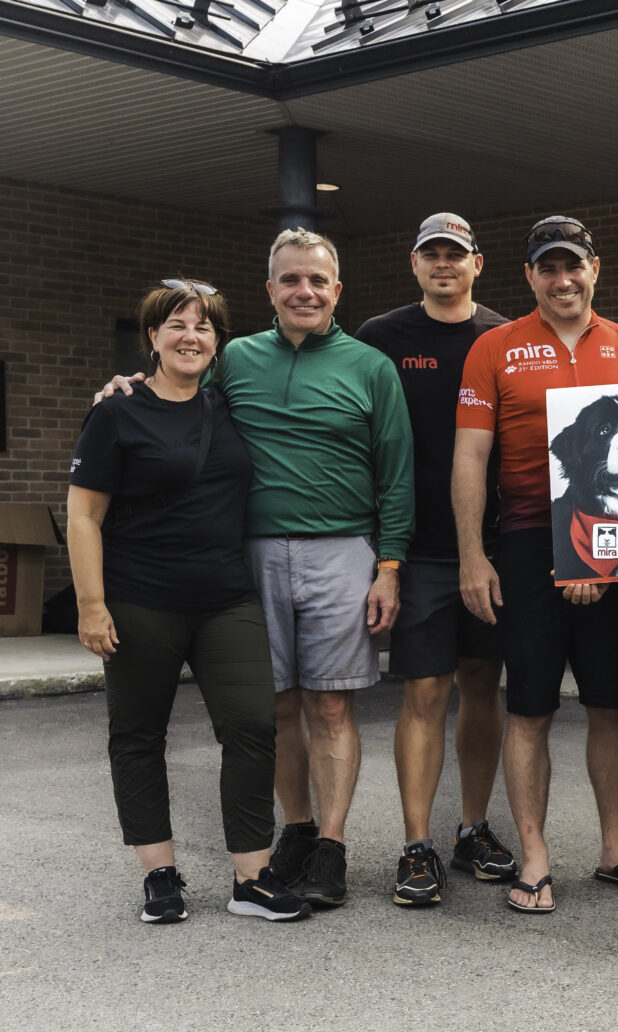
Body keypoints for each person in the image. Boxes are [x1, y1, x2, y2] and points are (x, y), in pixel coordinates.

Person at [98, 232, 415, 909]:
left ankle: (329, 846)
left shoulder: (371, 367)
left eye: (318, 281)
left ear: (337, 290)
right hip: (251, 553)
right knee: (269, 708)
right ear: (270, 290)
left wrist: (389, 565)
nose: (306, 291)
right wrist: (124, 383)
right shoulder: (235, 357)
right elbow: (173, 393)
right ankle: (293, 830)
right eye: (291, 280)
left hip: (342, 550)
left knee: (331, 703)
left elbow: (397, 475)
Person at [68, 279, 308, 923]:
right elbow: (84, 516)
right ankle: (160, 875)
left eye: (203, 327)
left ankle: (251, 880)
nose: (190, 336)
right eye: (176, 324)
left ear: (217, 342)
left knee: (253, 725)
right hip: (141, 598)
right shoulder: (116, 411)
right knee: (139, 734)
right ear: (152, 337)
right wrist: (91, 605)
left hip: (226, 597)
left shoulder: (226, 404)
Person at [454, 215, 618, 914]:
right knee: (529, 707)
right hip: (525, 545)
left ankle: (614, 847)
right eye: (548, 267)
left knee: (611, 704)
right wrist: (471, 556)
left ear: (595, 269)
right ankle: (536, 853)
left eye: (573, 265)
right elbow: (471, 457)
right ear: (529, 277)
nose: (562, 278)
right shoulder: (494, 348)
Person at [354, 213, 516, 907]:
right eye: (432, 254)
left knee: (483, 686)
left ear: (478, 264)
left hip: (496, 548)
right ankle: (416, 844)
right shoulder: (379, 339)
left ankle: (471, 828)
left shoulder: (507, 338)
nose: (444, 264)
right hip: (416, 549)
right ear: (414, 265)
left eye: (457, 254)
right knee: (425, 691)